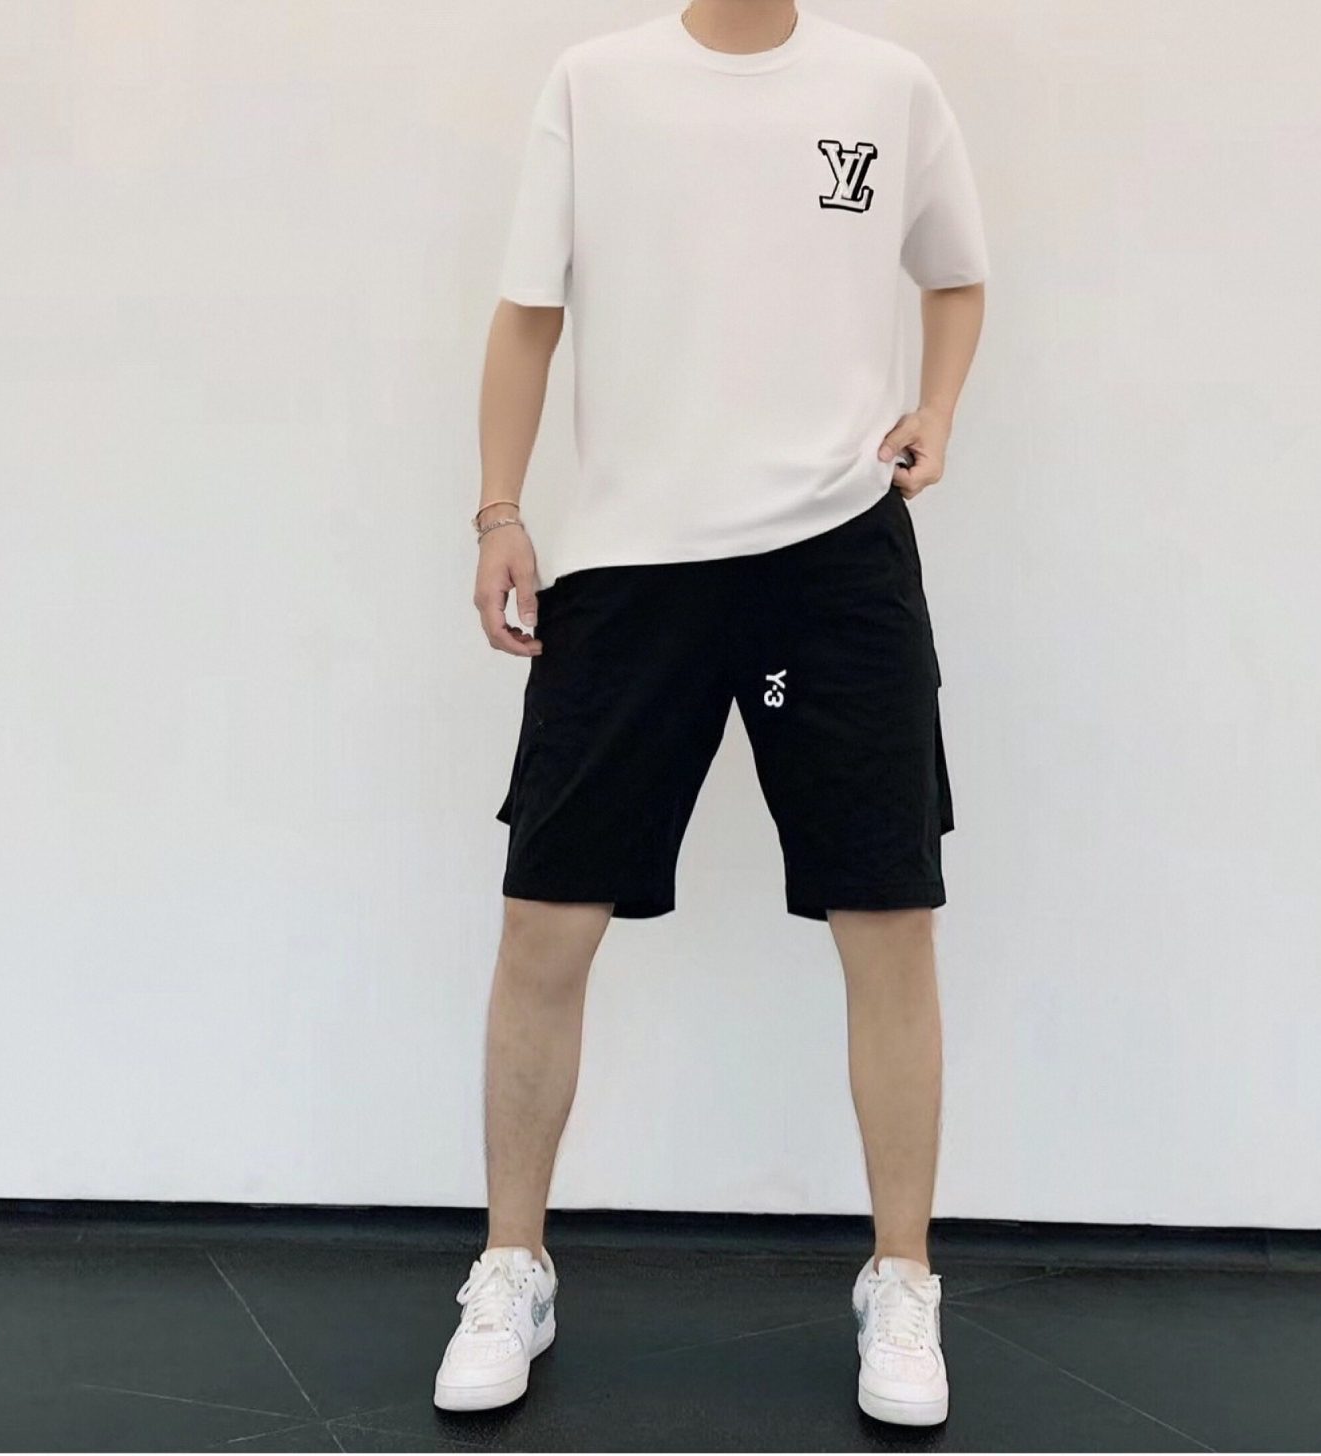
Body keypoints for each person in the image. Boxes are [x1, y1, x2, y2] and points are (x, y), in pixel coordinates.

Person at [434, 0, 987, 1428]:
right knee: (545, 918)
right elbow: (527, 312)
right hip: (632, 560)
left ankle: (902, 1278)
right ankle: (511, 1265)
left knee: (888, 918)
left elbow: (956, 276)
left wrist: (936, 407)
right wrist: (499, 509)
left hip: (836, 556)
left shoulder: (886, 84)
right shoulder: (595, 82)